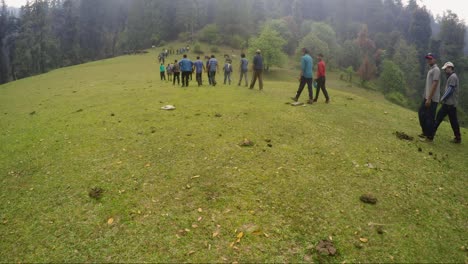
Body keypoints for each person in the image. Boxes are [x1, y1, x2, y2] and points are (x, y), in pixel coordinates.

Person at [433, 62, 462, 144]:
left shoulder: (452, 77)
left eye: (446, 69)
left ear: (450, 68)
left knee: (438, 117)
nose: (445, 70)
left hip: (448, 104)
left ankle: (431, 134)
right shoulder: (453, 76)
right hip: (452, 104)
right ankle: (458, 138)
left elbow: (450, 90)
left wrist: (442, 98)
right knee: (454, 122)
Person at [418, 53, 441, 142]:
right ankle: (425, 132)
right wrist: (425, 96)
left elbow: (434, 84)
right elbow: (429, 85)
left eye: (430, 58)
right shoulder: (431, 70)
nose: (429, 60)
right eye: (428, 58)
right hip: (427, 97)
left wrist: (429, 98)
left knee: (430, 117)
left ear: (434, 59)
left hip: (432, 99)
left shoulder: (436, 70)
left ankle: (430, 137)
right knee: (421, 113)